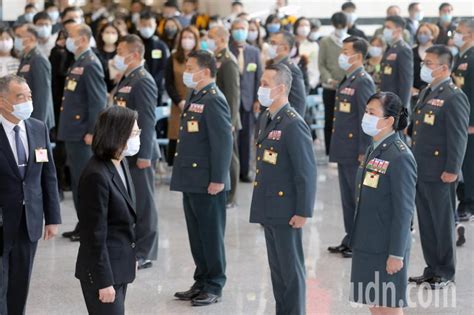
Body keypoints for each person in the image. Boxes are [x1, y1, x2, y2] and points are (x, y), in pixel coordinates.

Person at [250, 63, 316, 315]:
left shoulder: (292, 123)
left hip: (287, 209)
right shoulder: (268, 118)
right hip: (270, 206)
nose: (260, 89)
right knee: (278, 271)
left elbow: (306, 171)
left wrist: (303, 211)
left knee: (291, 271)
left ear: (280, 89)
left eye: (265, 85)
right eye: (260, 83)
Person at [170, 50, 232, 306]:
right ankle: (201, 280)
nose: (186, 70)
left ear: (205, 71)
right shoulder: (196, 94)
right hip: (191, 178)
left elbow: (223, 142)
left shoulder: (214, 99)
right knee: (197, 234)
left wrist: (218, 178)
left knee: (211, 234)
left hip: (208, 180)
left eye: (190, 66)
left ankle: (214, 284)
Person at [409, 45, 469, 289]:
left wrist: (453, 168)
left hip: (442, 171)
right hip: (422, 168)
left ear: (444, 67)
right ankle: (431, 267)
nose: (424, 67)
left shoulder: (454, 96)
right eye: (424, 63)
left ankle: (445, 271)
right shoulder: (427, 92)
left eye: (429, 63)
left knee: (442, 222)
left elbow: (458, 136)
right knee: (426, 221)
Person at [350, 91, 416, 312]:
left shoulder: (400, 156)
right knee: (374, 304)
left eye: (371, 113)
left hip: (386, 246)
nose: (365, 117)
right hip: (368, 241)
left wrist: (396, 254)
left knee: (388, 308)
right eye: (366, 111)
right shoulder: (374, 148)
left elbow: (404, 211)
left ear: (388, 121)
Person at [0, 74, 61, 314]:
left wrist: (53, 217)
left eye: (29, 96)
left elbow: (49, 175)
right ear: (3, 101)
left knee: (20, 282)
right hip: (3, 220)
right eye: (20, 97)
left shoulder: (37, 127)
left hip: (29, 219)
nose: (27, 101)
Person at [75, 106, 138, 315]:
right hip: (102, 271)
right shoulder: (96, 175)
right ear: (118, 134)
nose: (138, 137)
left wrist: (131, 259)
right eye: (135, 133)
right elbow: (94, 234)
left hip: (119, 264)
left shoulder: (121, 162)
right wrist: (104, 282)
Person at [111, 34, 159, 270]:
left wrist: (145, 155)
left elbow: (147, 120)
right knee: (131, 201)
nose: (117, 56)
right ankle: (134, 246)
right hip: (126, 149)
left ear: (135, 54)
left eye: (121, 51)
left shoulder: (143, 80)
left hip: (140, 152)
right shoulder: (128, 77)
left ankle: (145, 251)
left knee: (144, 203)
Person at [58, 24, 107, 241]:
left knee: (85, 183)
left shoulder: (90, 63)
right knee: (78, 182)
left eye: (71, 36)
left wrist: (93, 131)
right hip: (72, 132)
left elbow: (97, 101)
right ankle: (83, 223)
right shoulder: (79, 62)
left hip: (82, 134)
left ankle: (91, 227)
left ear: (84, 39)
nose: (68, 39)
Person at [328, 36, 375, 258]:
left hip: (355, 150)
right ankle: (350, 237)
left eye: (346, 51)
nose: (342, 55)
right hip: (343, 148)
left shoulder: (363, 81)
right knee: (347, 198)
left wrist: (363, 151)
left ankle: (360, 242)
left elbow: (366, 119)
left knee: (357, 199)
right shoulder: (348, 79)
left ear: (357, 56)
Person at [208, 25, 241, 208]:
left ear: (221, 39)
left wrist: (231, 120)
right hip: (218, 116)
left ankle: (232, 196)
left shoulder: (228, 61)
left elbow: (233, 94)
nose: (208, 39)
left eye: (211, 36)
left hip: (227, 117)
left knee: (230, 157)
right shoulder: (216, 58)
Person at [230, 18, 263, 183]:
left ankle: (246, 171)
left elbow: (259, 77)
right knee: (232, 137)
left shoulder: (254, 52)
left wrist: (258, 98)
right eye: (237, 28)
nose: (240, 31)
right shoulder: (228, 51)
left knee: (247, 137)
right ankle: (232, 172)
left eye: (243, 28)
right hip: (231, 102)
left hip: (249, 101)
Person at [165, 25, 200, 165]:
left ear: (196, 40)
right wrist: (179, 101)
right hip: (177, 105)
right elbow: (168, 83)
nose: (187, 40)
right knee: (176, 134)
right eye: (184, 37)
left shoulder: (202, 58)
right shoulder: (173, 58)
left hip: (197, 105)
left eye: (190, 37)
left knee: (195, 136)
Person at [452, 20, 474, 227]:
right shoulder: (461, 56)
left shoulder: (473, 56)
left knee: (468, 164)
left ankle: (469, 203)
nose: (455, 35)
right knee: (462, 163)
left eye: (459, 32)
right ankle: (464, 198)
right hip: (459, 118)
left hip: (469, 121)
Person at [319, 12, 348, 155]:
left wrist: (347, 81)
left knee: (346, 119)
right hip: (329, 87)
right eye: (337, 26)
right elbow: (321, 65)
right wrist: (329, 79)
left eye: (342, 26)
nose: (340, 29)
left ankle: (344, 150)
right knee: (329, 119)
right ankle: (330, 151)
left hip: (348, 87)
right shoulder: (325, 41)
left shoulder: (350, 40)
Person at [16, 24, 55, 130]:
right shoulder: (26, 58)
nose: (16, 39)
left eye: (19, 36)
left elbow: (42, 94)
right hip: (28, 116)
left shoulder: (38, 59)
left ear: (31, 38)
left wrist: (38, 123)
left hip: (37, 118)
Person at [267, 31, 307, 117]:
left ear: (285, 48)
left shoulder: (291, 69)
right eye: (270, 42)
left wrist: (294, 123)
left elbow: (299, 101)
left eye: (273, 43)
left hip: (285, 119)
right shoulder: (275, 66)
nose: (270, 46)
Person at [380, 15, 414, 109]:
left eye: (388, 27)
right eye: (385, 27)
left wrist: (403, 108)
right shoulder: (391, 48)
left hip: (396, 104)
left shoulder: (403, 50)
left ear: (399, 30)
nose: (385, 30)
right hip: (387, 101)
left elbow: (406, 82)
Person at [137, 11, 170, 107]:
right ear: (139, 24)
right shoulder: (134, 44)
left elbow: (164, 68)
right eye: (144, 24)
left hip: (155, 88)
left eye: (149, 25)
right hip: (136, 87)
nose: (147, 28)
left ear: (155, 25)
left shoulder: (160, 46)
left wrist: (153, 83)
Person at [412, 23, 439, 99]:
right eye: (420, 33)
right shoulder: (412, 52)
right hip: (414, 93)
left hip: (434, 93)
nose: (422, 35)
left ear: (432, 35)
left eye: (425, 33)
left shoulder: (439, 52)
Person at [293, 17, 320, 91]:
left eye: (307, 25)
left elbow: (316, 66)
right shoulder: (290, 43)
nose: (304, 28)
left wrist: (311, 83)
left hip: (308, 81)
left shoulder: (314, 45)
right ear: (296, 27)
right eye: (301, 25)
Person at [96, 23, 120, 92]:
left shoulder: (121, 53)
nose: (110, 35)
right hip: (99, 89)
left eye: (113, 32)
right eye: (107, 32)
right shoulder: (96, 52)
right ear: (102, 33)